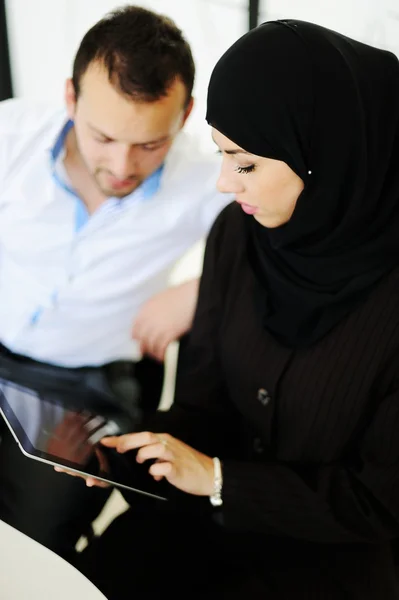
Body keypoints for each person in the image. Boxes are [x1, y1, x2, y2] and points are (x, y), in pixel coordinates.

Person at [74, 19, 399, 599]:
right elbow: (205, 406)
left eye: (244, 163)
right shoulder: (240, 235)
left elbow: (379, 503)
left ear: (320, 156)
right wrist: (132, 449)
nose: (225, 183)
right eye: (223, 154)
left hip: (334, 560)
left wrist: (222, 481)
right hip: (208, 524)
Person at [0, 5, 231, 560]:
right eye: (103, 136)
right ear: (70, 99)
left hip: (88, 386)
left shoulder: (208, 177)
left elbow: (290, 248)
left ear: (185, 115)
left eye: (151, 144)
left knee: (34, 544)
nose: (123, 165)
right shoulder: (9, 134)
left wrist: (201, 292)